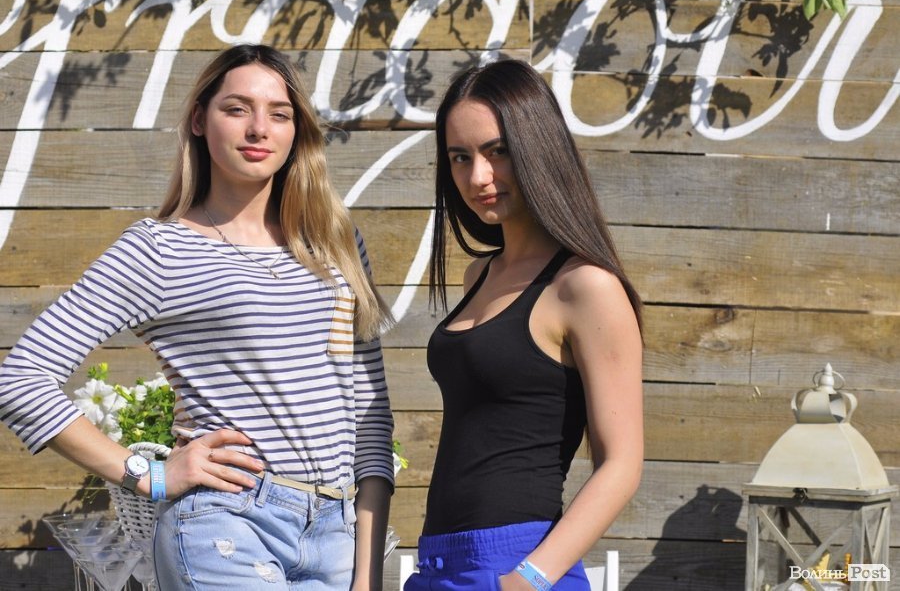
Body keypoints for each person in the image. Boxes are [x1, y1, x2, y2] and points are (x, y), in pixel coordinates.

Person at [0, 44, 394, 591]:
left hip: (337, 536)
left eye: (279, 114)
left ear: (297, 131)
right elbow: (21, 380)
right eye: (237, 109)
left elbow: (369, 418)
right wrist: (150, 475)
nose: (259, 129)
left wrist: (366, 575)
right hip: (228, 526)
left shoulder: (336, 243)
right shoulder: (160, 249)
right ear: (199, 120)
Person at [406, 59, 644, 591]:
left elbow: (622, 464)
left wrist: (528, 578)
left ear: (537, 147)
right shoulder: (478, 275)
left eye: (498, 151)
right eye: (460, 157)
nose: (477, 177)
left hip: (518, 562)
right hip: (440, 563)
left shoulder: (585, 286)